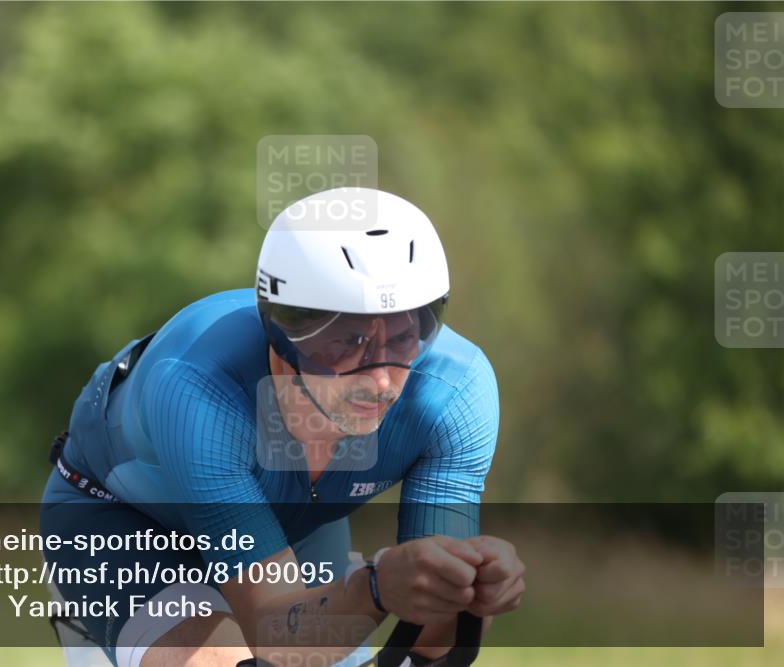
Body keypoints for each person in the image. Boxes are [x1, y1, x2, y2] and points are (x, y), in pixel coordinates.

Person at [40, 187, 525, 667]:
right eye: (347, 343)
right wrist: (375, 588)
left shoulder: (455, 393)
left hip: (293, 530)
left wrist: (470, 592)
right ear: (281, 334)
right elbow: (277, 638)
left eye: (402, 338)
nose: (380, 379)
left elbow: (433, 648)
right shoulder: (199, 386)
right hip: (124, 523)